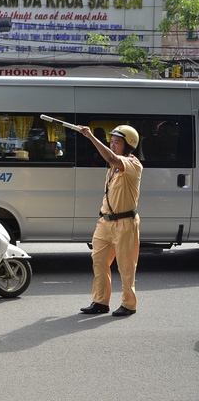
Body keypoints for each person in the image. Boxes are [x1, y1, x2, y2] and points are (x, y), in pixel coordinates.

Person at [78, 124, 142, 317]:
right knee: (98, 261)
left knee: (125, 266)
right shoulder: (113, 169)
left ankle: (129, 304)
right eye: (111, 142)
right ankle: (100, 301)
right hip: (105, 222)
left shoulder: (133, 165)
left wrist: (90, 136)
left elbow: (112, 158)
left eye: (117, 143)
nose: (112, 146)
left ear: (128, 146)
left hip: (125, 223)